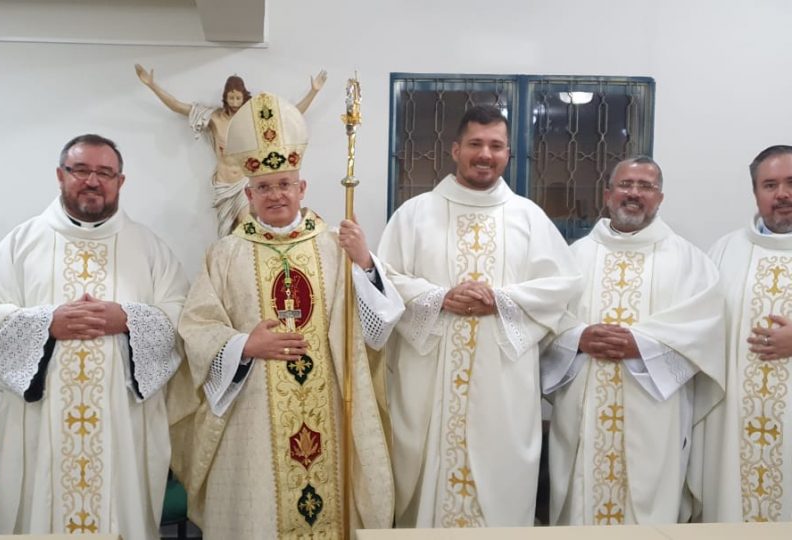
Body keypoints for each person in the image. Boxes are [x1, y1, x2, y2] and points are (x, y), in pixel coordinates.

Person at [170, 92, 404, 538]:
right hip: (252, 417)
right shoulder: (224, 254)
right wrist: (243, 345)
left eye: (284, 184)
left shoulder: (337, 245)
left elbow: (380, 326)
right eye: (264, 187)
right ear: (249, 193)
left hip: (329, 409)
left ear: (302, 188)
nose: (275, 194)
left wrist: (365, 263)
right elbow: (195, 328)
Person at [0, 134, 188, 539]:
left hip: (125, 423)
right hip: (40, 426)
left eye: (105, 172)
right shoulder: (21, 243)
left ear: (120, 182)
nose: (92, 181)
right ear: (60, 175)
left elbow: (181, 321)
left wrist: (127, 318)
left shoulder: (150, 248)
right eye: (81, 170)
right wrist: (46, 324)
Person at [377, 105, 583, 527]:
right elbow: (384, 282)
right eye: (475, 144)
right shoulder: (414, 214)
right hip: (429, 379)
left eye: (495, 146)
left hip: (502, 385)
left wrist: (500, 300)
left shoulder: (528, 217)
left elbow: (561, 287)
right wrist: (439, 297)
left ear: (508, 154)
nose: (484, 154)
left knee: (501, 484)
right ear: (455, 149)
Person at [541, 156, 725, 525]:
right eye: (626, 185)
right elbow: (546, 321)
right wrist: (580, 337)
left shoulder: (689, 260)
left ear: (660, 198)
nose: (634, 194)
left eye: (646, 186)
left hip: (655, 411)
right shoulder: (574, 256)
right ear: (607, 194)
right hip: (583, 409)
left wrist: (642, 344)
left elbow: (705, 327)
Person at [699, 145, 792, 522]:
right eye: (770, 185)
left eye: (791, 183)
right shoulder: (725, 251)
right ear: (756, 193)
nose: (782, 193)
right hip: (734, 421)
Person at [134, 65, 327, 235]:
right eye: (231, 97)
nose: (235, 101)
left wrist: (313, 91)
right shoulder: (215, 118)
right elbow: (177, 106)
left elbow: (290, 115)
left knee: (246, 225)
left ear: (244, 97)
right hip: (223, 184)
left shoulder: (251, 120)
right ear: (225, 98)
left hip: (244, 183)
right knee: (225, 233)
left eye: (238, 97)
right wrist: (152, 85)